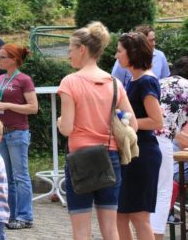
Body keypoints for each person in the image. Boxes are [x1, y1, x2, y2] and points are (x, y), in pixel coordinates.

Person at [57, 22, 137, 240]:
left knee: (81, 231)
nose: (69, 55)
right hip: (109, 157)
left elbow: (66, 128)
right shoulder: (114, 83)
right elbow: (134, 125)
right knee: (111, 230)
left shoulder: (69, 82)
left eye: (70, 49)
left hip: (80, 160)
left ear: (82, 49)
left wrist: (59, 120)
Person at [115, 32, 164, 240]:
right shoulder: (134, 81)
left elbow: (156, 121)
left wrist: (124, 123)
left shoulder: (146, 82)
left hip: (143, 154)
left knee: (139, 217)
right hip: (132, 153)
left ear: (132, 53)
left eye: (119, 51)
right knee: (120, 215)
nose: (116, 56)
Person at [0, 44, 38, 230]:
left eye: (2, 57)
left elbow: (33, 107)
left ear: (14, 60)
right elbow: (1, 102)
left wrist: (7, 105)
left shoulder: (24, 80)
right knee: (8, 177)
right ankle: (11, 215)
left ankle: (25, 217)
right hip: (3, 132)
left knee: (21, 176)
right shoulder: (0, 78)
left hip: (18, 132)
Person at [152, 56, 188, 239]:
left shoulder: (158, 83)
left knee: (151, 192)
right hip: (164, 142)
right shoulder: (186, 87)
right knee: (162, 194)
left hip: (144, 139)